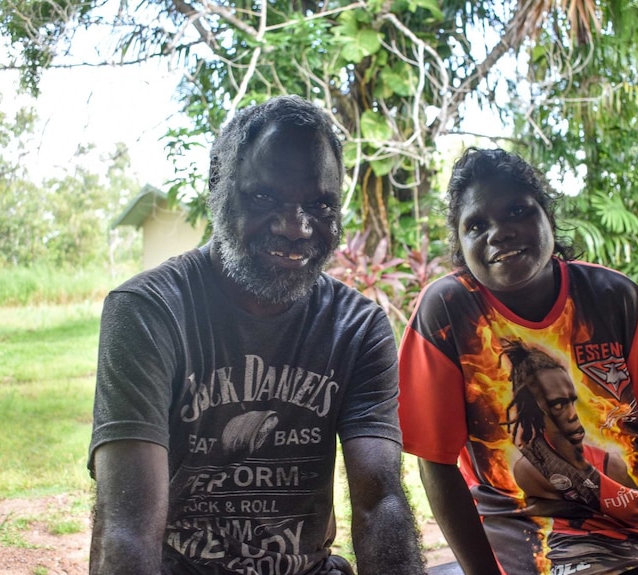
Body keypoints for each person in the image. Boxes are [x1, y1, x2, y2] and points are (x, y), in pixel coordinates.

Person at [88, 95, 427, 575]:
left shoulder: (358, 327)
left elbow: (380, 504)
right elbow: (128, 527)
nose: (295, 227)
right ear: (217, 185)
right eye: (264, 197)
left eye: (320, 204)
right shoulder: (148, 312)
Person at [397, 147, 638, 575]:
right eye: (476, 224)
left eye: (518, 210)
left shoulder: (615, 297)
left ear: (548, 218)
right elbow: (437, 463)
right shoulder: (447, 312)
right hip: (540, 527)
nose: (498, 232)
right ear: (461, 246)